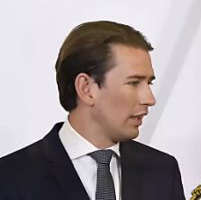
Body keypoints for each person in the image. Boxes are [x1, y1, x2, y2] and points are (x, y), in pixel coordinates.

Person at [0, 20, 185, 200]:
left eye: (149, 83)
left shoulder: (162, 171)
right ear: (86, 88)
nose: (150, 99)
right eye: (134, 83)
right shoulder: (10, 178)